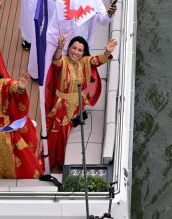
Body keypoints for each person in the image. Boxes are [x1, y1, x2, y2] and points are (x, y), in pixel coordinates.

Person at [45, 35, 118, 170]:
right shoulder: (63, 61)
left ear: (83, 52)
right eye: (74, 48)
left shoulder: (85, 61)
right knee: (58, 132)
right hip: (61, 104)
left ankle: (62, 162)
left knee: (68, 131)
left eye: (79, 50)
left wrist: (108, 52)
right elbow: (56, 60)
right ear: (69, 48)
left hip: (77, 104)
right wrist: (59, 47)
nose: (76, 52)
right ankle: (54, 161)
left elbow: (98, 60)